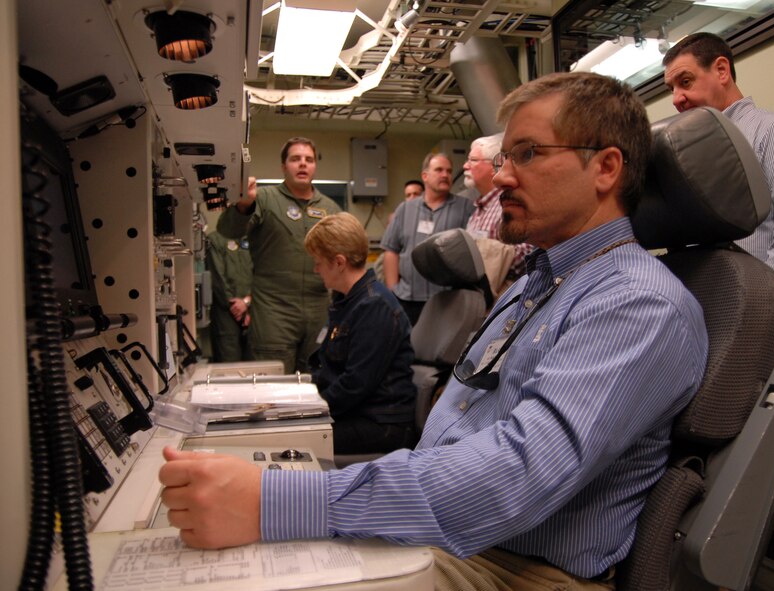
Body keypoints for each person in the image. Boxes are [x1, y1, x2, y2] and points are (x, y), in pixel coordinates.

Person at [159, 72, 708, 590]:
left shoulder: (637, 302)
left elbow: (516, 474)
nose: (504, 175)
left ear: (606, 168)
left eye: (528, 154)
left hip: (515, 570)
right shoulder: (534, 283)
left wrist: (274, 502)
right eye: (506, 155)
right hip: (458, 536)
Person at [663, 32, 774, 286]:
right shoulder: (691, 152)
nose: (676, 99)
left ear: (721, 70)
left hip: (763, 307)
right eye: (672, 89)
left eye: (685, 82)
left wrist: (767, 299)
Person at [216, 137, 342, 373]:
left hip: (318, 308)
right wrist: (243, 206)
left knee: (315, 377)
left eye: (309, 160)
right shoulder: (264, 199)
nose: (303, 164)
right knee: (274, 380)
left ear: (315, 166)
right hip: (274, 310)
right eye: (295, 159)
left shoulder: (331, 208)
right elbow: (228, 230)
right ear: (283, 166)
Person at [304, 212, 418, 455]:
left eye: (318, 262)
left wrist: (308, 411)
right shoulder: (348, 301)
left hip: (380, 425)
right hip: (356, 413)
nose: (316, 270)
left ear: (338, 262)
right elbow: (329, 371)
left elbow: (355, 385)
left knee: (292, 438)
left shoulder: (374, 306)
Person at [381, 153, 475, 326]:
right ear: (425, 176)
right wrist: (392, 290)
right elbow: (391, 250)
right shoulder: (405, 209)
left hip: (448, 300)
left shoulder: (466, 208)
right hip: (407, 300)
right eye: (439, 170)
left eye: (448, 171)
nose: (445, 175)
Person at [463, 133, 534, 295]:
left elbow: (528, 253)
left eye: (472, 160)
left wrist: (486, 253)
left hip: (504, 298)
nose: (465, 166)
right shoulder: (478, 209)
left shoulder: (507, 206)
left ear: (494, 166)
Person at [204, 231, 253, 362]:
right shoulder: (215, 240)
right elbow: (217, 279)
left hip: (255, 312)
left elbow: (266, 274)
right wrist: (237, 306)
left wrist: (248, 302)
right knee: (229, 367)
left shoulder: (259, 239)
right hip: (226, 315)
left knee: (258, 369)